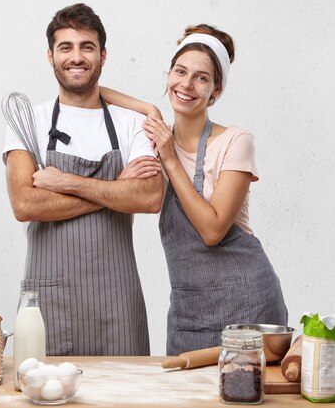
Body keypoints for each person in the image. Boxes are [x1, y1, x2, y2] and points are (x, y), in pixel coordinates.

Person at [102, 24, 288, 356]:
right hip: (189, 315)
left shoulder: (235, 140)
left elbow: (213, 229)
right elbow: (93, 91)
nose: (186, 85)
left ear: (216, 92)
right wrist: (149, 109)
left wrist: (171, 159)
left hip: (249, 308)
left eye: (201, 78)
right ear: (168, 75)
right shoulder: (155, 137)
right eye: (180, 71)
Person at [3, 3, 163, 356]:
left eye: (87, 46)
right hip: (50, 300)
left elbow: (150, 197)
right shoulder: (29, 120)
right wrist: (117, 188)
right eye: (66, 47)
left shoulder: (130, 122)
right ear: (50, 56)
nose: (77, 57)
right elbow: (25, 203)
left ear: (103, 55)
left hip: (117, 298)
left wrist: (65, 182)